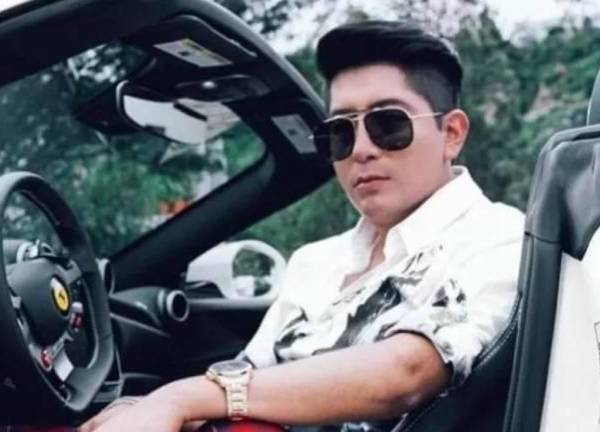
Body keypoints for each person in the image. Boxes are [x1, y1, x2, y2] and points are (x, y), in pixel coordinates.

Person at [81, 20, 524, 432]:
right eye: (341, 133)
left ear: (452, 134)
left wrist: (180, 398)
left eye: (388, 124)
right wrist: (149, 408)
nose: (362, 150)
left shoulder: (498, 237)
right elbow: (245, 382)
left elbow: (406, 372)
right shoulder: (315, 262)